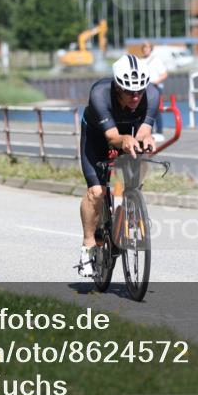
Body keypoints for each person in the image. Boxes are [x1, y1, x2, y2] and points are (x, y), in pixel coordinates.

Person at [76, 54, 160, 277]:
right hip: (98, 136)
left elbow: (144, 130)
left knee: (139, 158)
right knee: (96, 192)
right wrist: (124, 140)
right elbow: (113, 137)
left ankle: (130, 207)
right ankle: (88, 246)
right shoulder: (100, 94)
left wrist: (146, 139)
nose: (135, 97)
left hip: (127, 133)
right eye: (129, 92)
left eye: (139, 91)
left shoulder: (152, 94)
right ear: (117, 87)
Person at [140, 41, 168, 137]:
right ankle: (148, 132)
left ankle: (159, 131)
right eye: (144, 47)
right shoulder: (140, 61)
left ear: (151, 49)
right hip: (144, 88)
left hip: (155, 87)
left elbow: (164, 74)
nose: (145, 49)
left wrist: (155, 82)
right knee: (145, 110)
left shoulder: (156, 60)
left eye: (147, 48)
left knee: (156, 110)